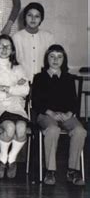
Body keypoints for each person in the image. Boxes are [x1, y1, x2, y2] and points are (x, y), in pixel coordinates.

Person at [32, 44, 86, 186]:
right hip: (46, 115)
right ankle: (50, 170)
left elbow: (73, 101)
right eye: (52, 56)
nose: (55, 60)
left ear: (64, 59)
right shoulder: (39, 77)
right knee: (53, 130)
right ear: (46, 58)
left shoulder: (68, 78)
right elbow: (36, 102)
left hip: (66, 116)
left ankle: (72, 170)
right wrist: (50, 113)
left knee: (80, 131)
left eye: (59, 57)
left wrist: (68, 114)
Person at [0, 35, 30, 179]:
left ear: (12, 50)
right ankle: (2, 159)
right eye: (1, 46)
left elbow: (25, 91)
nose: (4, 49)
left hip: (16, 107)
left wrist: (4, 88)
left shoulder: (18, 68)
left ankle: (11, 159)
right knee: (10, 128)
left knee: (21, 128)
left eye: (8, 46)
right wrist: (13, 90)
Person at [13, 2, 55, 82]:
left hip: (44, 82)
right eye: (30, 15)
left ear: (41, 19)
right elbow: (13, 62)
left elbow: (53, 62)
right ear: (25, 17)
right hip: (22, 81)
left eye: (37, 16)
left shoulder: (48, 37)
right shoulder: (16, 37)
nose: (33, 19)